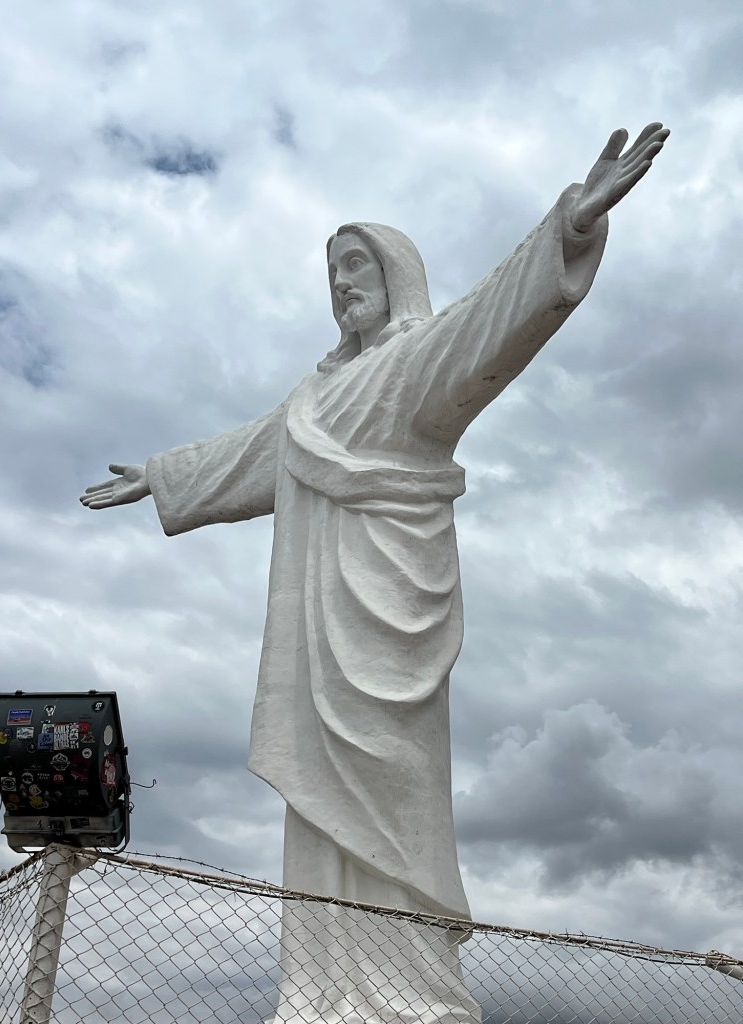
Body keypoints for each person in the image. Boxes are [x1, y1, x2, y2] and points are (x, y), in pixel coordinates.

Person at [81, 123, 669, 1023]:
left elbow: (489, 325)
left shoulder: (413, 367)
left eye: (357, 265)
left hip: (386, 623)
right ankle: (319, 995)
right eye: (332, 275)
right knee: (318, 805)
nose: (343, 285)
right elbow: (250, 454)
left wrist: (567, 228)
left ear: (397, 274)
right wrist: (163, 474)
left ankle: (412, 996)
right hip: (315, 637)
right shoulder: (316, 399)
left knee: (395, 796)